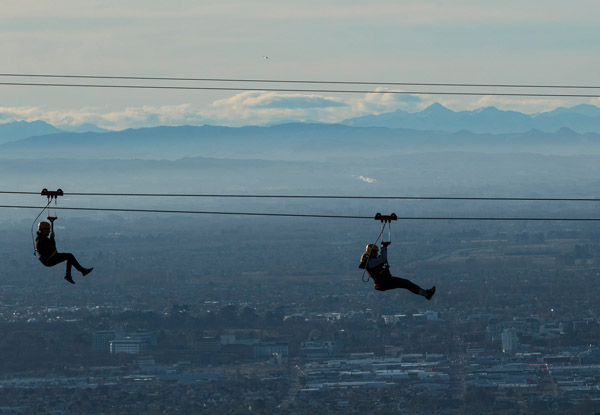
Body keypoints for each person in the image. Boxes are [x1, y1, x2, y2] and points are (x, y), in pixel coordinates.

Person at [359, 241, 435, 300]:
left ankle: (426, 294)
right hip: (384, 282)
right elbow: (383, 259)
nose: (376, 253)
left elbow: (382, 260)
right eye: (375, 252)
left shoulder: (370, 261)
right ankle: (426, 294)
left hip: (384, 282)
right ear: (372, 252)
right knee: (406, 283)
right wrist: (384, 247)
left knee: (406, 283)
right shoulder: (371, 262)